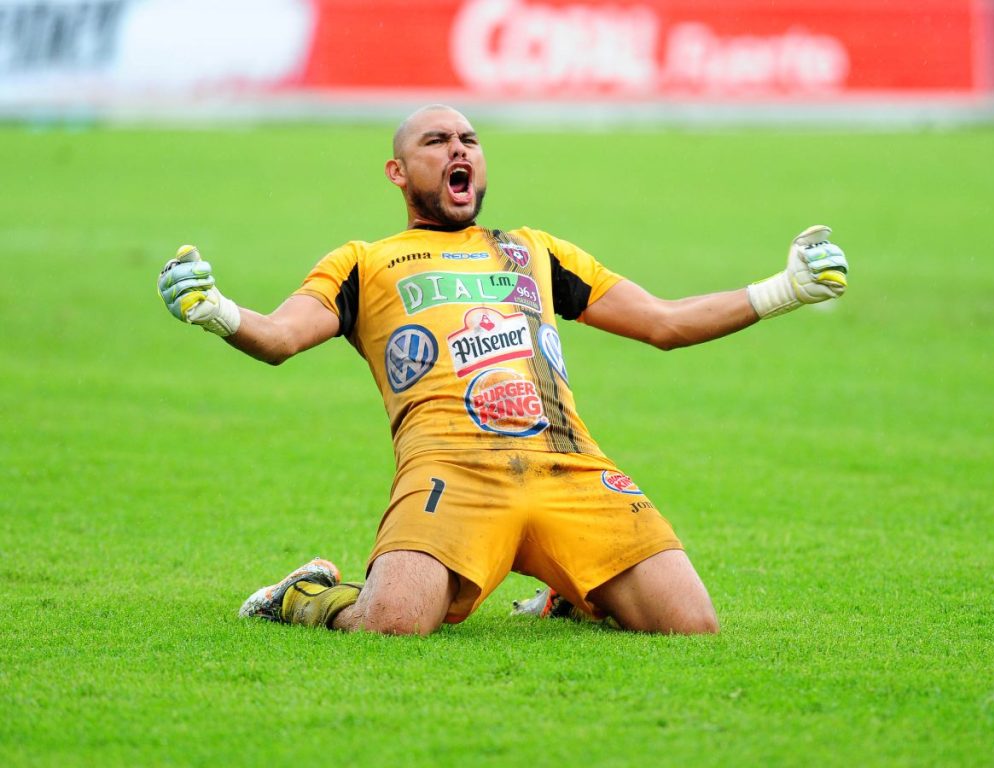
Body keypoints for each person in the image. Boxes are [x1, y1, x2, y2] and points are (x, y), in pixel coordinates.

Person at [158, 105, 848, 636]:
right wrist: (215, 310)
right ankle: (304, 595)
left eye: (469, 140)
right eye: (435, 142)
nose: (458, 148)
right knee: (392, 623)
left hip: (566, 468)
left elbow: (664, 322)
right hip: (451, 472)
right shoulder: (363, 262)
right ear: (398, 172)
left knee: (691, 624)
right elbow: (278, 336)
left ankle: (570, 593)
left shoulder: (535, 252)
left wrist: (784, 288)